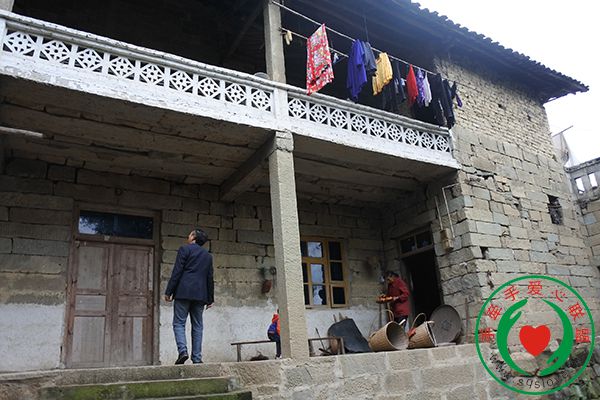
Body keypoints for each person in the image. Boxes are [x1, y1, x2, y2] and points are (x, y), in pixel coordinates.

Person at [164, 228, 213, 365]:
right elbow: (209, 277)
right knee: (198, 326)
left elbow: (177, 271)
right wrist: (210, 299)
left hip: (183, 292)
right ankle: (197, 358)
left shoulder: (184, 249)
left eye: (190, 234)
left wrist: (169, 291)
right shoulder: (208, 256)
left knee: (179, 323)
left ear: (193, 237)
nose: (188, 235)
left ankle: (183, 351)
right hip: (201, 294)